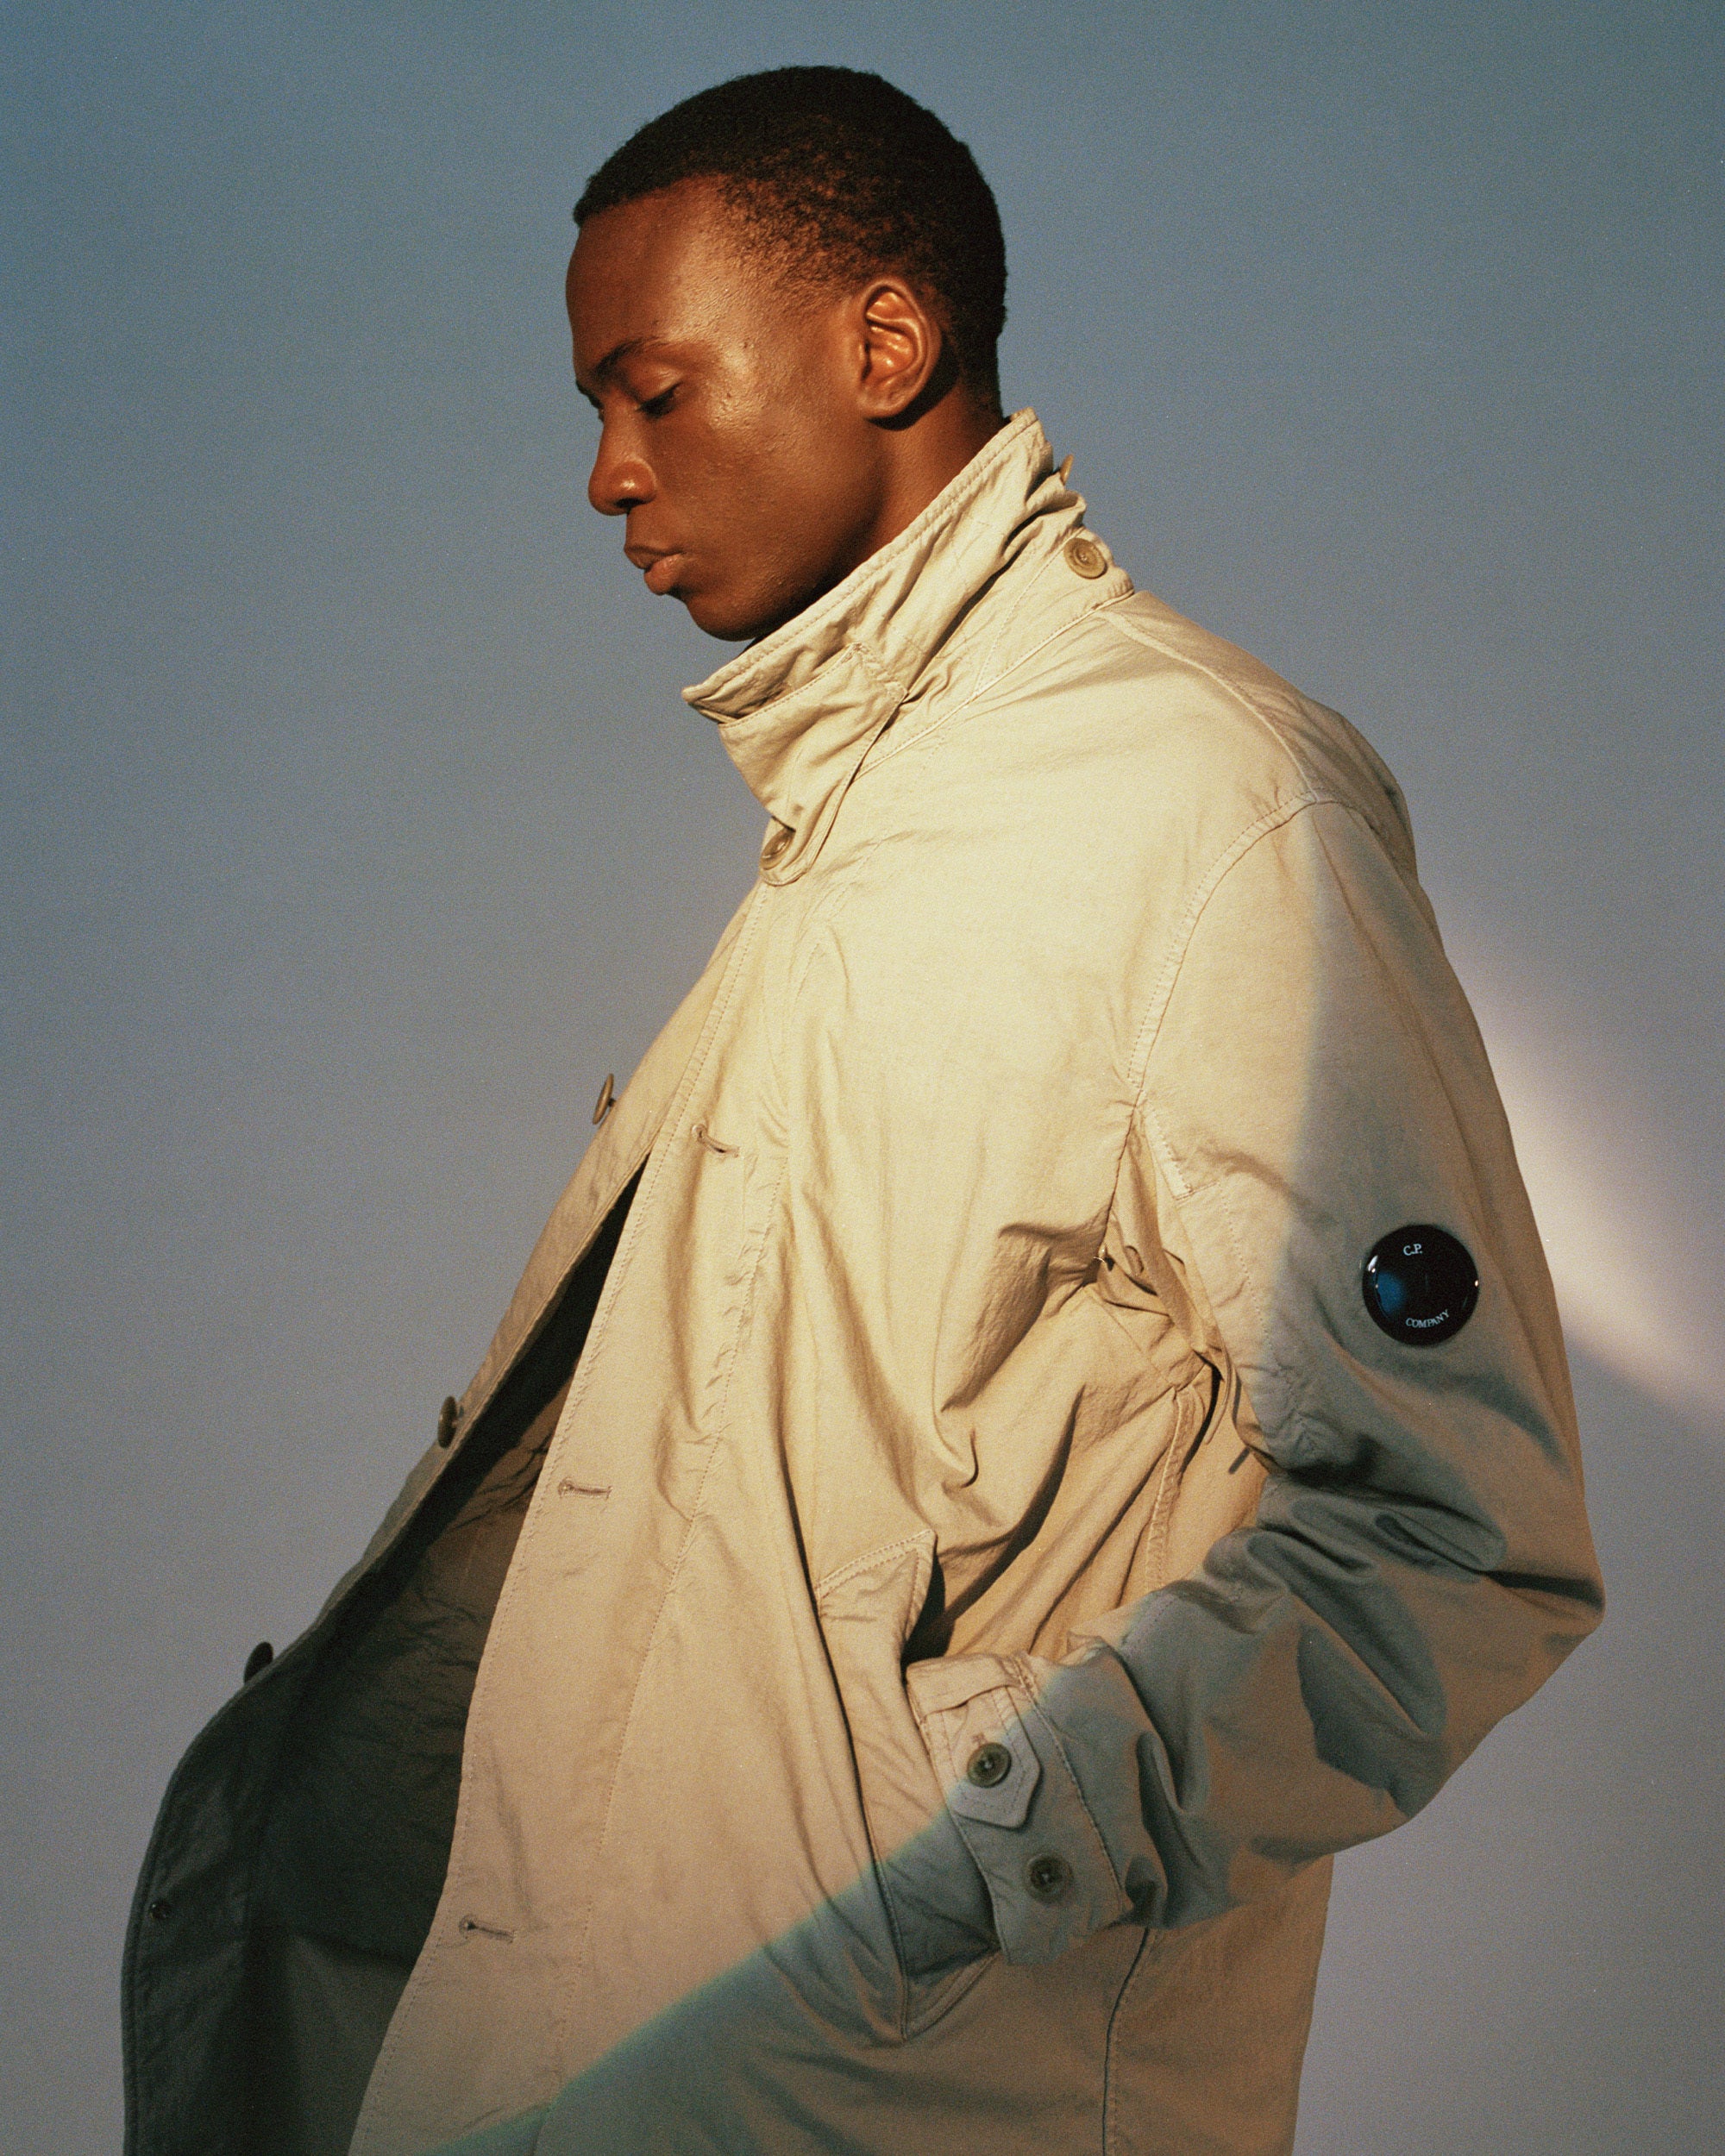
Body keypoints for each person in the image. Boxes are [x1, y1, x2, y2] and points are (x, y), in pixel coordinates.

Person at [124, 66, 1603, 2156]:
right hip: (644, 2075)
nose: (606, 475)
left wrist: (989, 1836)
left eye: (650, 391)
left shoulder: (1206, 808)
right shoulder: (854, 845)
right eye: (594, 412)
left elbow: (1457, 1529)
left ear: (885, 344)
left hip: (903, 2086)